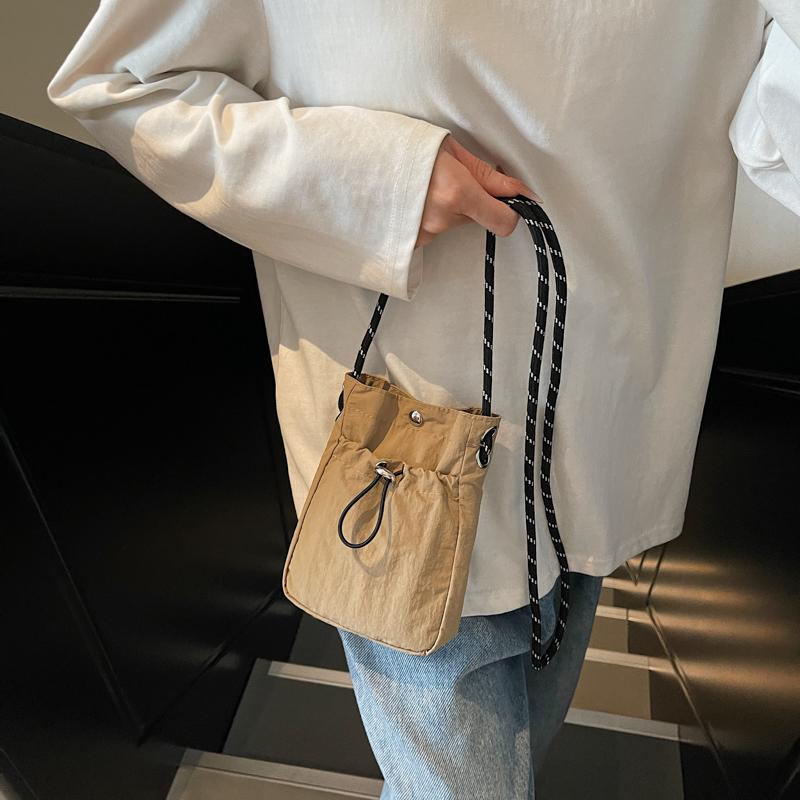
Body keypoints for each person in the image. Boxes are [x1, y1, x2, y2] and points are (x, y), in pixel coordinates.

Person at [48, 3, 799, 797]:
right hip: (405, 453)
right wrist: (382, 179)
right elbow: (119, 85)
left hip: (604, 429)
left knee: (516, 758)